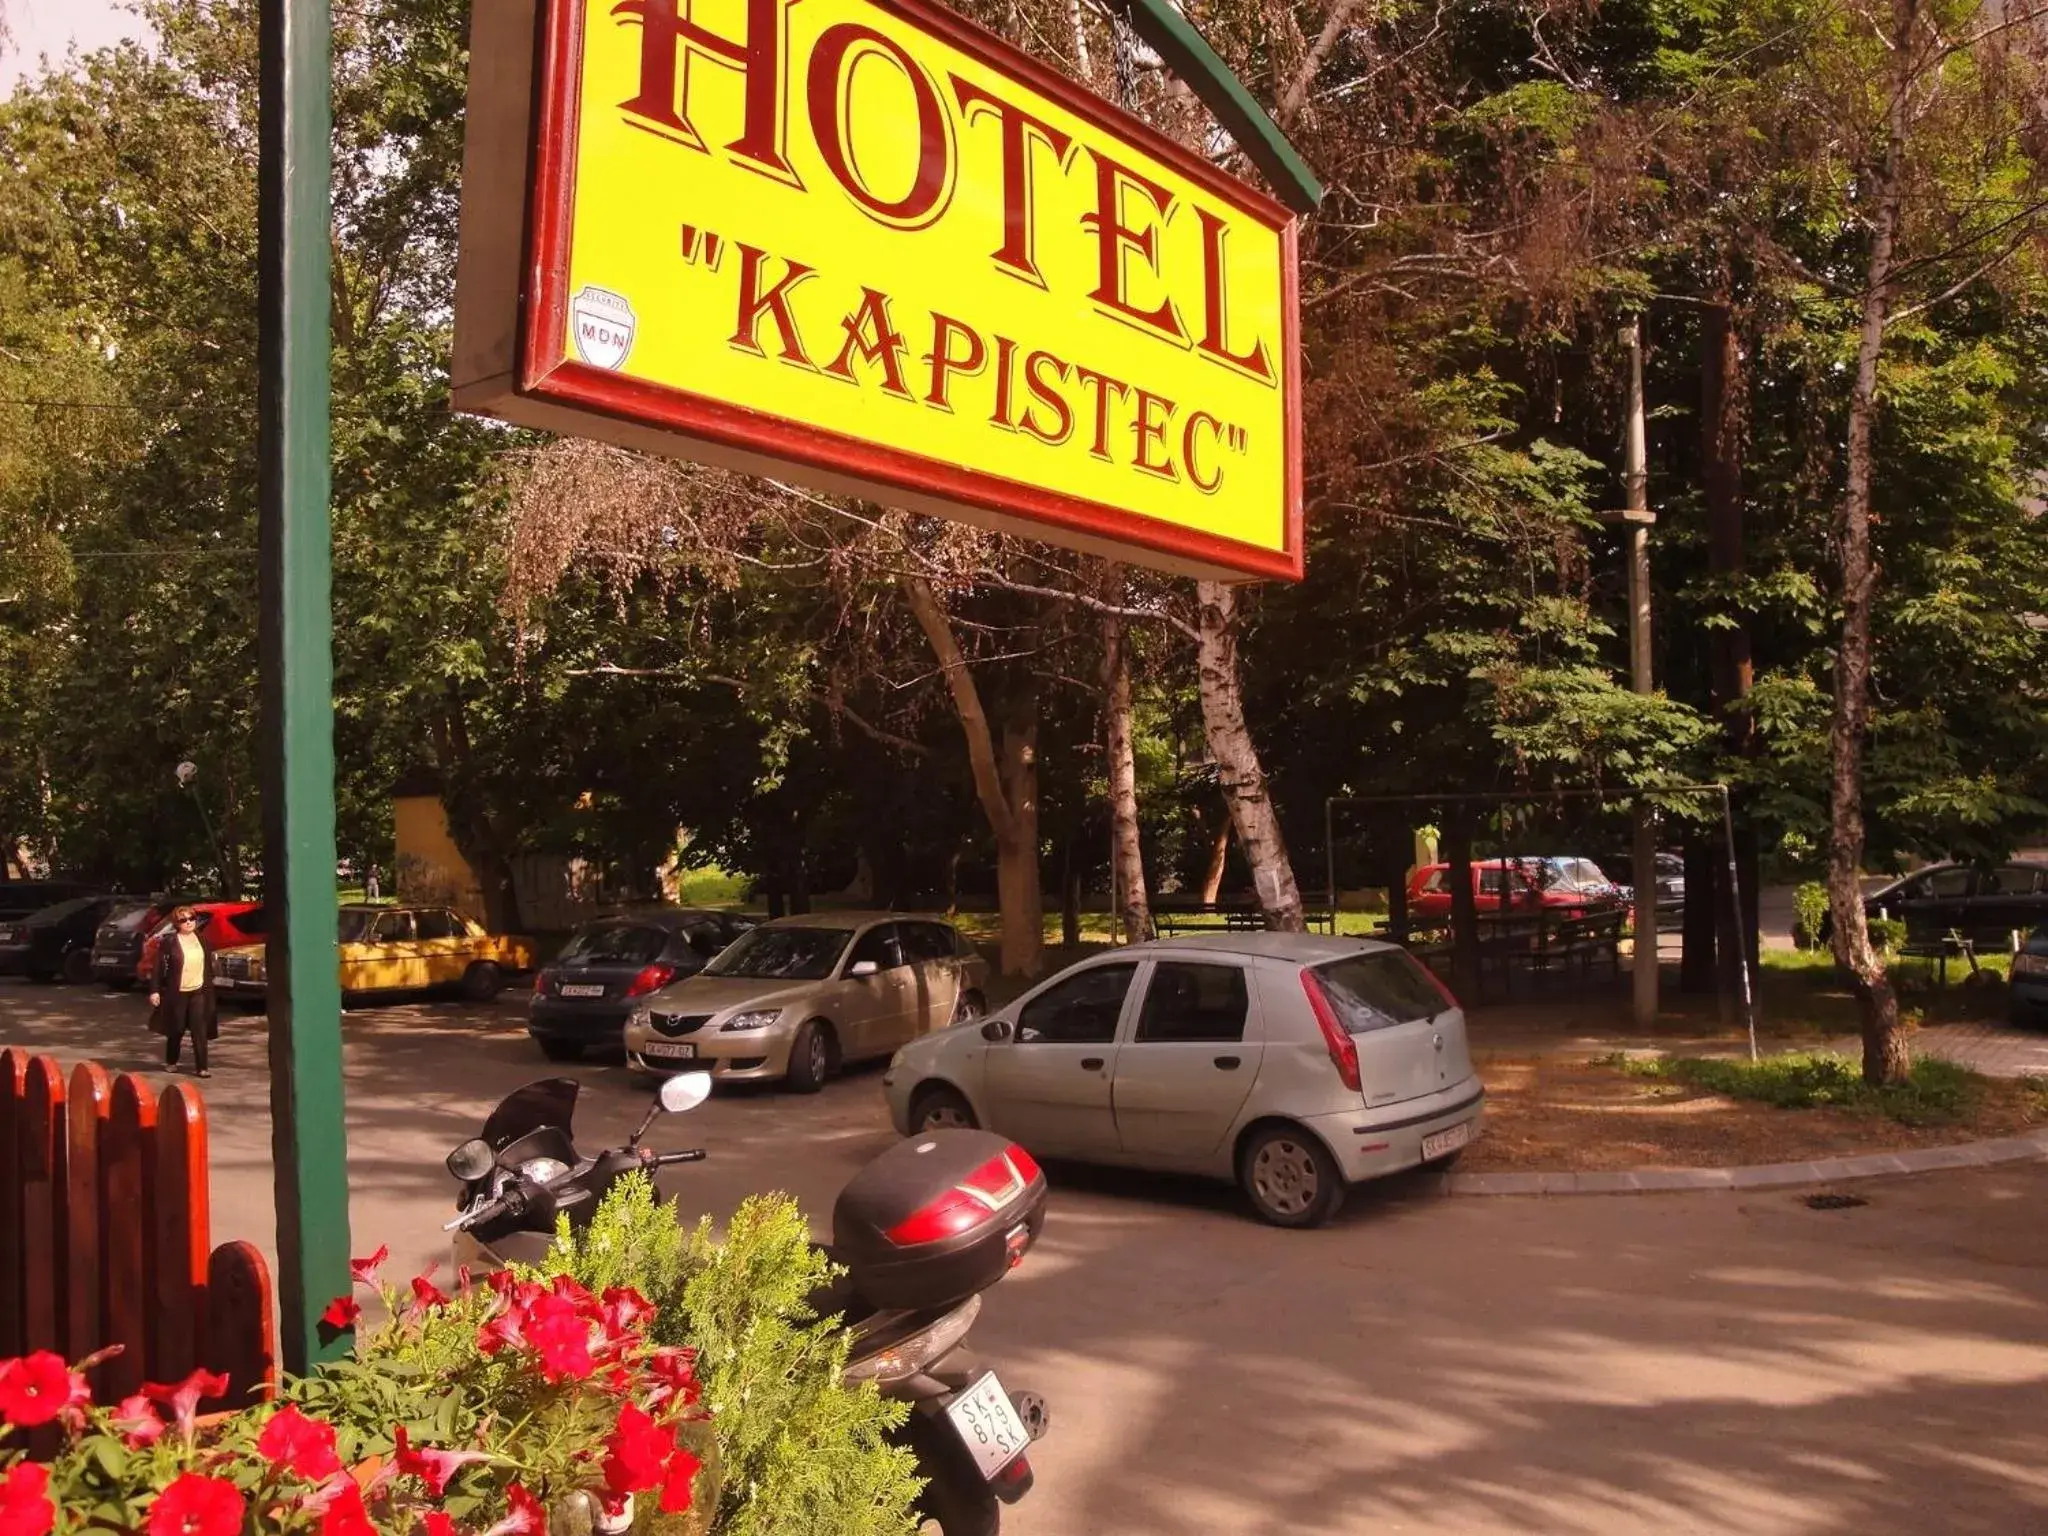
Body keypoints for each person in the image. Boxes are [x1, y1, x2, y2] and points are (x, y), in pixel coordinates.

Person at [149, 906, 218, 1077]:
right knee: (176, 1028)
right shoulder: (170, 942)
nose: (188, 922)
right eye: (184, 920)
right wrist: (155, 990)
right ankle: (172, 1061)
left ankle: (202, 1067)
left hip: (198, 991)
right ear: (177, 924)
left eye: (191, 919)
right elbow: (157, 967)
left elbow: (208, 965)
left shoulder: (202, 939)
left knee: (199, 1030)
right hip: (177, 992)